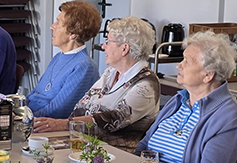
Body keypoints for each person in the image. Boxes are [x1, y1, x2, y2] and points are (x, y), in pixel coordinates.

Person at [135, 31, 237, 163]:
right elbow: (144, 147)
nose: (179, 65)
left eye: (187, 61)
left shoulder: (230, 118)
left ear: (208, 75)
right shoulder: (178, 101)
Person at [32, 16, 160, 151]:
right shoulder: (111, 72)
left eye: (108, 42)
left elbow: (115, 119)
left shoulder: (147, 84)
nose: (103, 46)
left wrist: (63, 124)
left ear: (124, 49)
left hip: (115, 152)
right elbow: (83, 105)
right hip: (87, 144)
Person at [25, 0, 101, 117]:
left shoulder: (84, 66)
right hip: (30, 118)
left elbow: (58, 110)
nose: (52, 27)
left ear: (73, 34)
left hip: (43, 124)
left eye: (58, 23)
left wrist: (25, 119)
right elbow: (35, 94)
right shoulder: (58, 57)